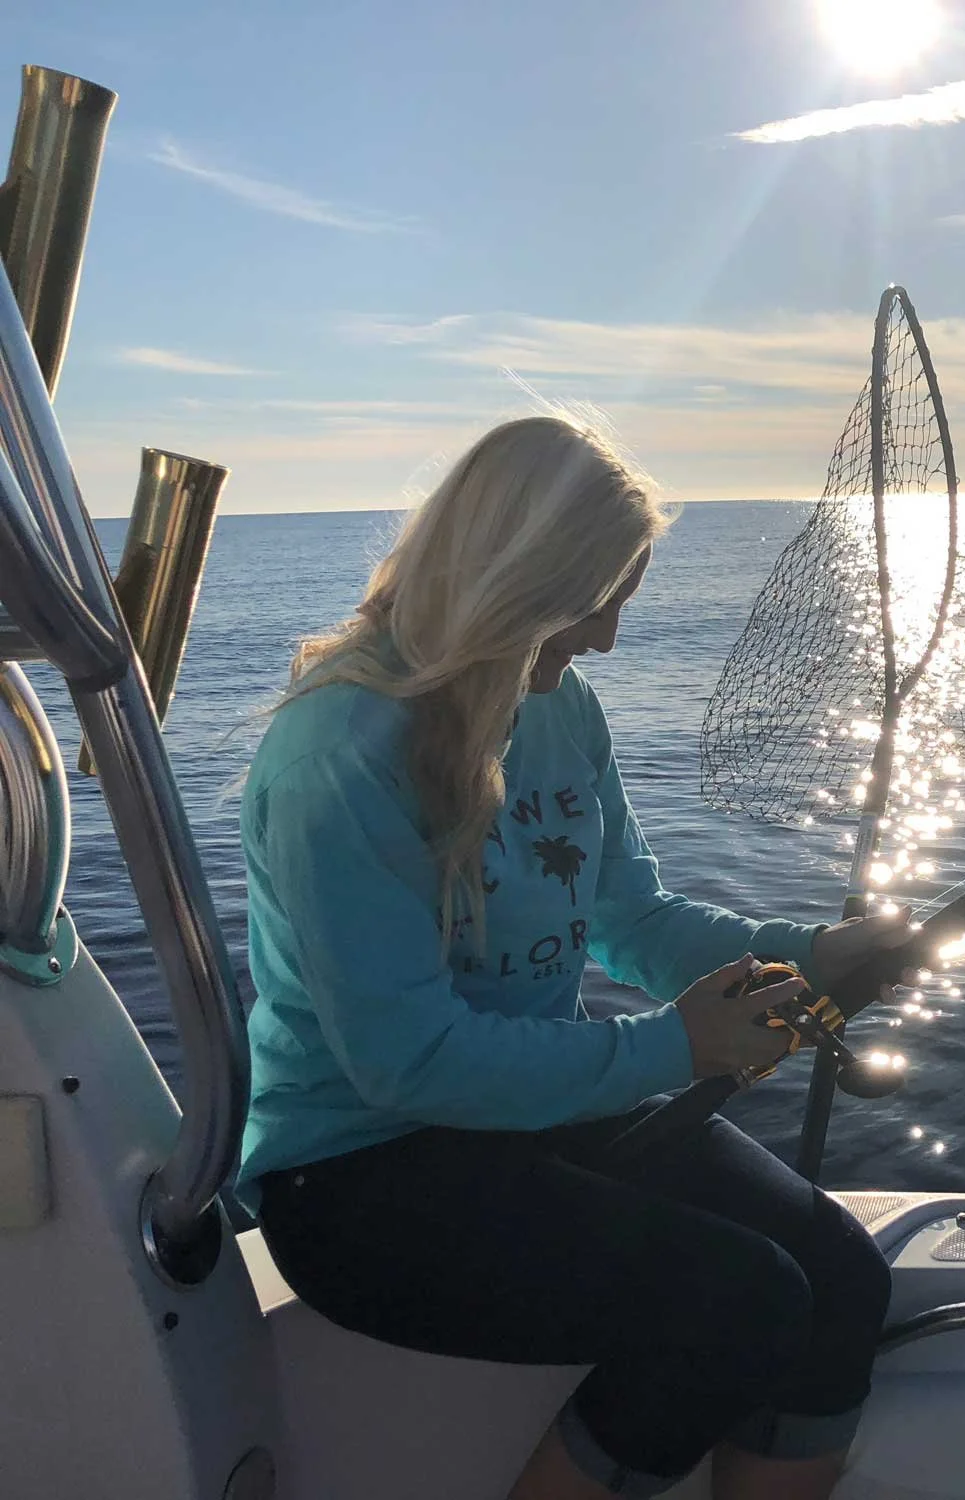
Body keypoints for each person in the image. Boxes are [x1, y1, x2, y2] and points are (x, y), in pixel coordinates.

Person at [238, 415, 904, 1500]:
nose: (604, 639)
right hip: (358, 1175)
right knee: (732, 1301)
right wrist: (678, 1047)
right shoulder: (335, 757)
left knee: (838, 1279)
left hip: (529, 1117)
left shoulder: (556, 705)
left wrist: (812, 954)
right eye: (595, 602)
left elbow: (632, 921)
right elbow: (403, 1064)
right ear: (515, 582)